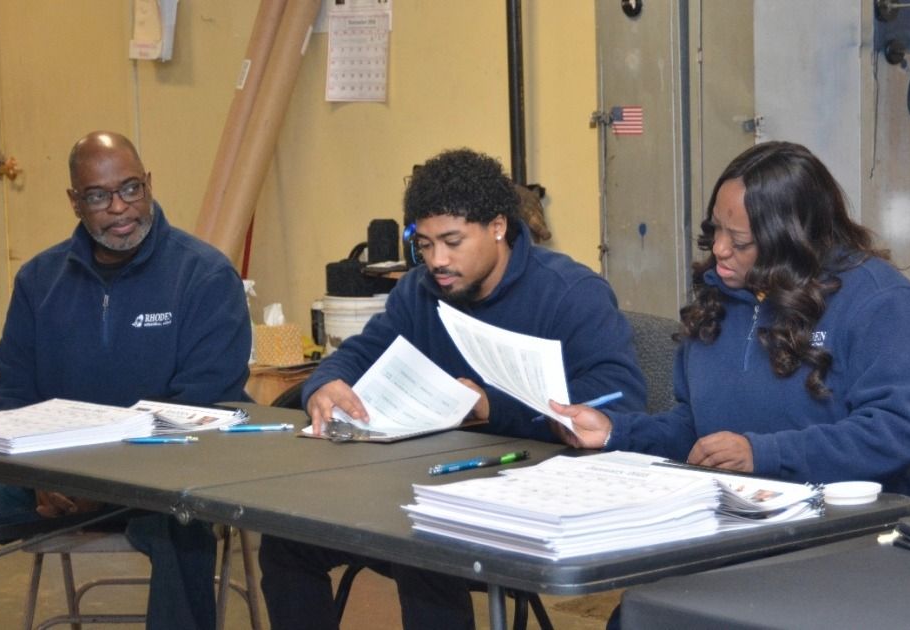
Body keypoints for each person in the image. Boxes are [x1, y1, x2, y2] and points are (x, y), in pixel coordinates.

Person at [258, 147, 647, 630]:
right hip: (427, 486)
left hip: (533, 495)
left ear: (498, 227)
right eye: (423, 244)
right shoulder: (420, 291)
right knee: (286, 540)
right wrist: (326, 382)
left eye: (452, 241)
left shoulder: (570, 293)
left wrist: (493, 404)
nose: (437, 260)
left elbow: (620, 398)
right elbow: (363, 351)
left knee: (424, 542)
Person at [552, 140, 910, 515]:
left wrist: (762, 455)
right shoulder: (720, 297)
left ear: (791, 241)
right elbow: (696, 430)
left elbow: (896, 430)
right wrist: (614, 432)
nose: (720, 249)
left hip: (863, 523)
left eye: (740, 241)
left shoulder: (882, 303)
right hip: (746, 515)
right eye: (715, 231)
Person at [0, 131, 252, 630]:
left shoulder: (203, 277)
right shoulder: (38, 281)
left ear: (149, 185)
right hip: (48, 479)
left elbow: (203, 407)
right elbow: (12, 399)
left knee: (185, 520)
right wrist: (45, 480)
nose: (119, 208)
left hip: (163, 483)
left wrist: (103, 484)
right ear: (75, 202)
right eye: (98, 196)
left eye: (131, 189)